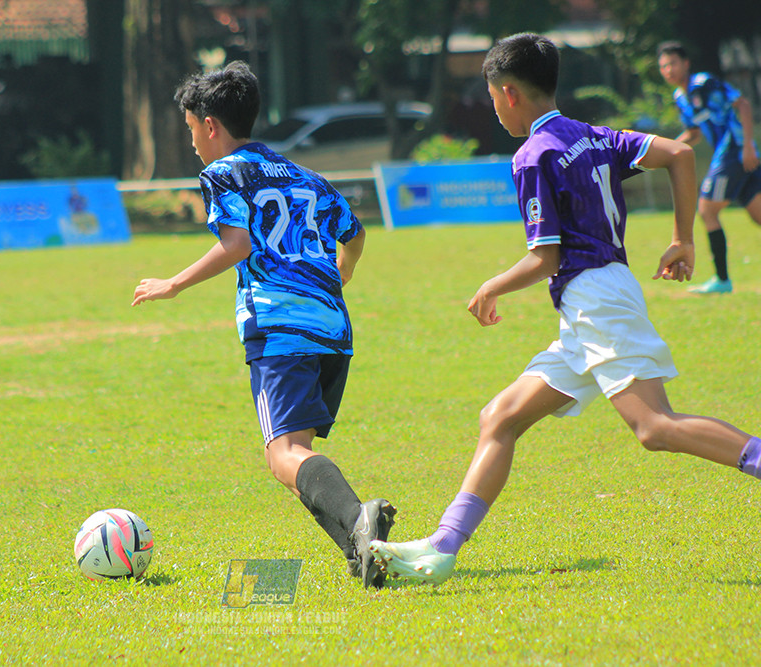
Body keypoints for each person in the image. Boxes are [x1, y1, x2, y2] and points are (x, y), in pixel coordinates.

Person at [370, 33, 761, 586]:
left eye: (490, 96)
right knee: (500, 417)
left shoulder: (533, 154)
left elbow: (546, 257)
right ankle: (442, 549)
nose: (492, 107)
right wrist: (683, 239)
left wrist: (492, 286)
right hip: (594, 301)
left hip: (595, 297)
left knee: (653, 426)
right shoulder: (591, 135)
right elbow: (680, 153)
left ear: (508, 94)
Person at [131, 61, 396, 589]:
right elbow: (357, 234)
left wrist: (174, 284)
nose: (192, 146)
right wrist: (338, 278)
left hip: (279, 327)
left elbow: (238, 245)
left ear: (210, 125)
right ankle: (362, 550)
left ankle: (360, 521)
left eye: (191, 132)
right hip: (332, 330)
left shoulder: (222, 173)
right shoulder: (305, 175)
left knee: (285, 456)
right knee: (296, 457)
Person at [657, 41, 761, 294]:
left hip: (734, 151)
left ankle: (722, 280)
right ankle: (722, 280)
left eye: (672, 63)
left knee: (706, 210)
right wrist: (663, 148)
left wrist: (748, 146)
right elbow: (693, 133)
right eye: (663, 66)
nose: (668, 70)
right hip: (729, 155)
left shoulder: (704, 83)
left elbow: (743, 104)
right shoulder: (681, 97)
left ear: (686, 64)